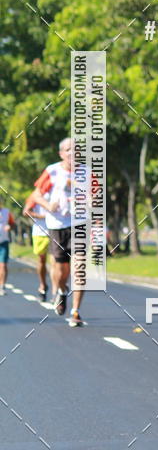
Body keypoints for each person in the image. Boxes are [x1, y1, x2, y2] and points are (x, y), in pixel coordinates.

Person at [31, 137, 85, 326]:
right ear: (62, 153)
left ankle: (75, 312)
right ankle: (62, 291)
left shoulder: (87, 173)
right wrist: (48, 205)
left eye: (76, 149)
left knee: (79, 270)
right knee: (61, 270)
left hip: (79, 224)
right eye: (69, 149)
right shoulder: (52, 171)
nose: (73, 153)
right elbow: (36, 195)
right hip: (57, 225)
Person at [23, 193, 50, 301]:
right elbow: (26, 212)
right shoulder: (35, 195)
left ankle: (57, 291)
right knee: (42, 260)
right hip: (40, 231)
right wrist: (43, 217)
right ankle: (43, 284)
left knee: (56, 261)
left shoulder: (61, 190)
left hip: (57, 229)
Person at [0, 201, 16, 296]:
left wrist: (10, 227)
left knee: (3, 265)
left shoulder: (6, 212)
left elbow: (13, 224)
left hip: (4, 242)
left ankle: (2, 286)